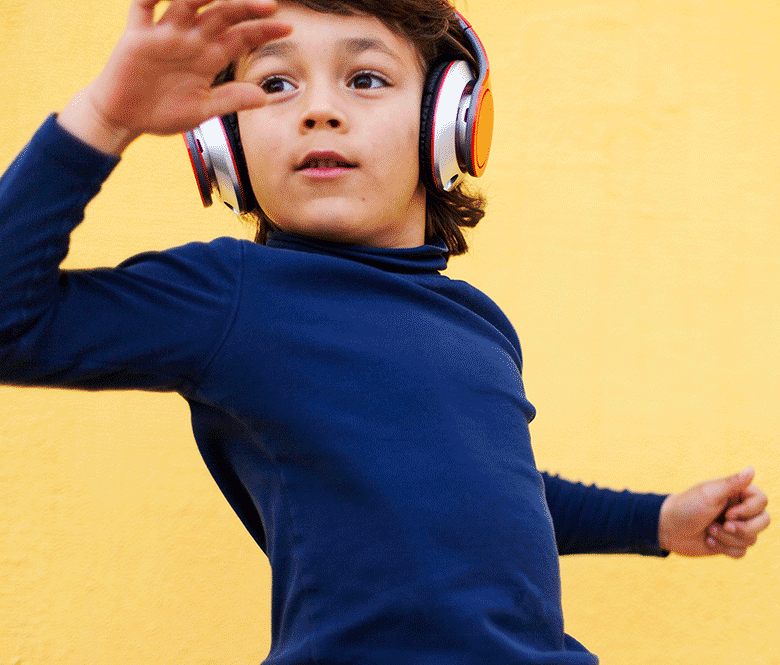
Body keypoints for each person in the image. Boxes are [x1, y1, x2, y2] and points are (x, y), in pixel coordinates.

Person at [0, 1, 769, 663]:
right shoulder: (229, 296)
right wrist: (104, 118)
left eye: (365, 79)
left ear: (449, 121)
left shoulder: (479, 323)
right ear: (220, 143)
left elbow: (486, 494)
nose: (319, 110)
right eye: (274, 83)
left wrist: (657, 521)